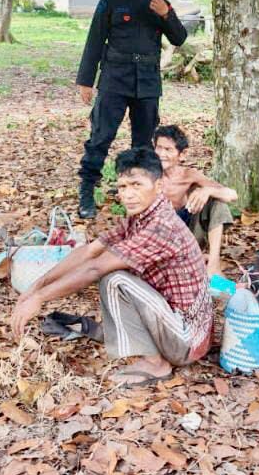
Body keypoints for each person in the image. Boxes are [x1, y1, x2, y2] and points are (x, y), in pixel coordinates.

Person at [11, 147, 212, 387]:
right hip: (176, 325)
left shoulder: (162, 225)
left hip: (188, 339)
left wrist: (41, 297)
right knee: (114, 273)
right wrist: (35, 287)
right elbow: (89, 251)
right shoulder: (140, 217)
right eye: (123, 187)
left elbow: (96, 268)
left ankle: (157, 364)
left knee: (114, 278)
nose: (128, 194)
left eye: (137, 185)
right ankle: (149, 352)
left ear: (158, 186)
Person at [75, 0, 187, 219]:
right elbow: (94, 41)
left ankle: (138, 192)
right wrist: (86, 81)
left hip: (147, 80)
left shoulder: (160, 4)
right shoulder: (112, 1)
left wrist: (166, 14)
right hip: (115, 77)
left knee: (144, 141)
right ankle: (87, 190)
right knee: (101, 136)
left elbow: (180, 38)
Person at [152, 124, 237, 278]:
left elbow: (232, 195)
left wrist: (208, 190)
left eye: (168, 150)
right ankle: (189, 262)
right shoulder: (148, 175)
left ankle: (213, 264)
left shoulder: (189, 175)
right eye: (159, 148)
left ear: (182, 154)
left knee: (217, 202)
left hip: (190, 235)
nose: (161, 154)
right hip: (161, 240)